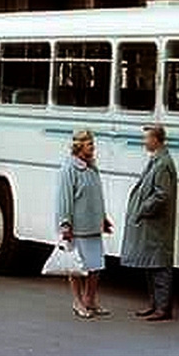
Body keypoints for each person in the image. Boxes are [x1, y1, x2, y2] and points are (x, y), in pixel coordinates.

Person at [120, 123, 178, 321]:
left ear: (156, 140)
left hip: (156, 225)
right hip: (152, 224)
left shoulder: (162, 164)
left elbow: (162, 196)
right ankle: (154, 305)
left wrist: (142, 209)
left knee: (159, 266)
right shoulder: (157, 160)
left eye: (147, 138)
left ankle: (163, 308)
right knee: (151, 264)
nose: (144, 142)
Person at [54, 129, 113, 318]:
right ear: (79, 146)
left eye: (93, 144)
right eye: (89, 144)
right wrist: (65, 224)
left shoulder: (91, 167)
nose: (93, 148)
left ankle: (90, 300)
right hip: (77, 227)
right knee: (77, 267)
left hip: (93, 225)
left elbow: (97, 196)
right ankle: (78, 301)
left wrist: (103, 218)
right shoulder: (69, 169)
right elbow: (64, 198)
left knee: (96, 266)